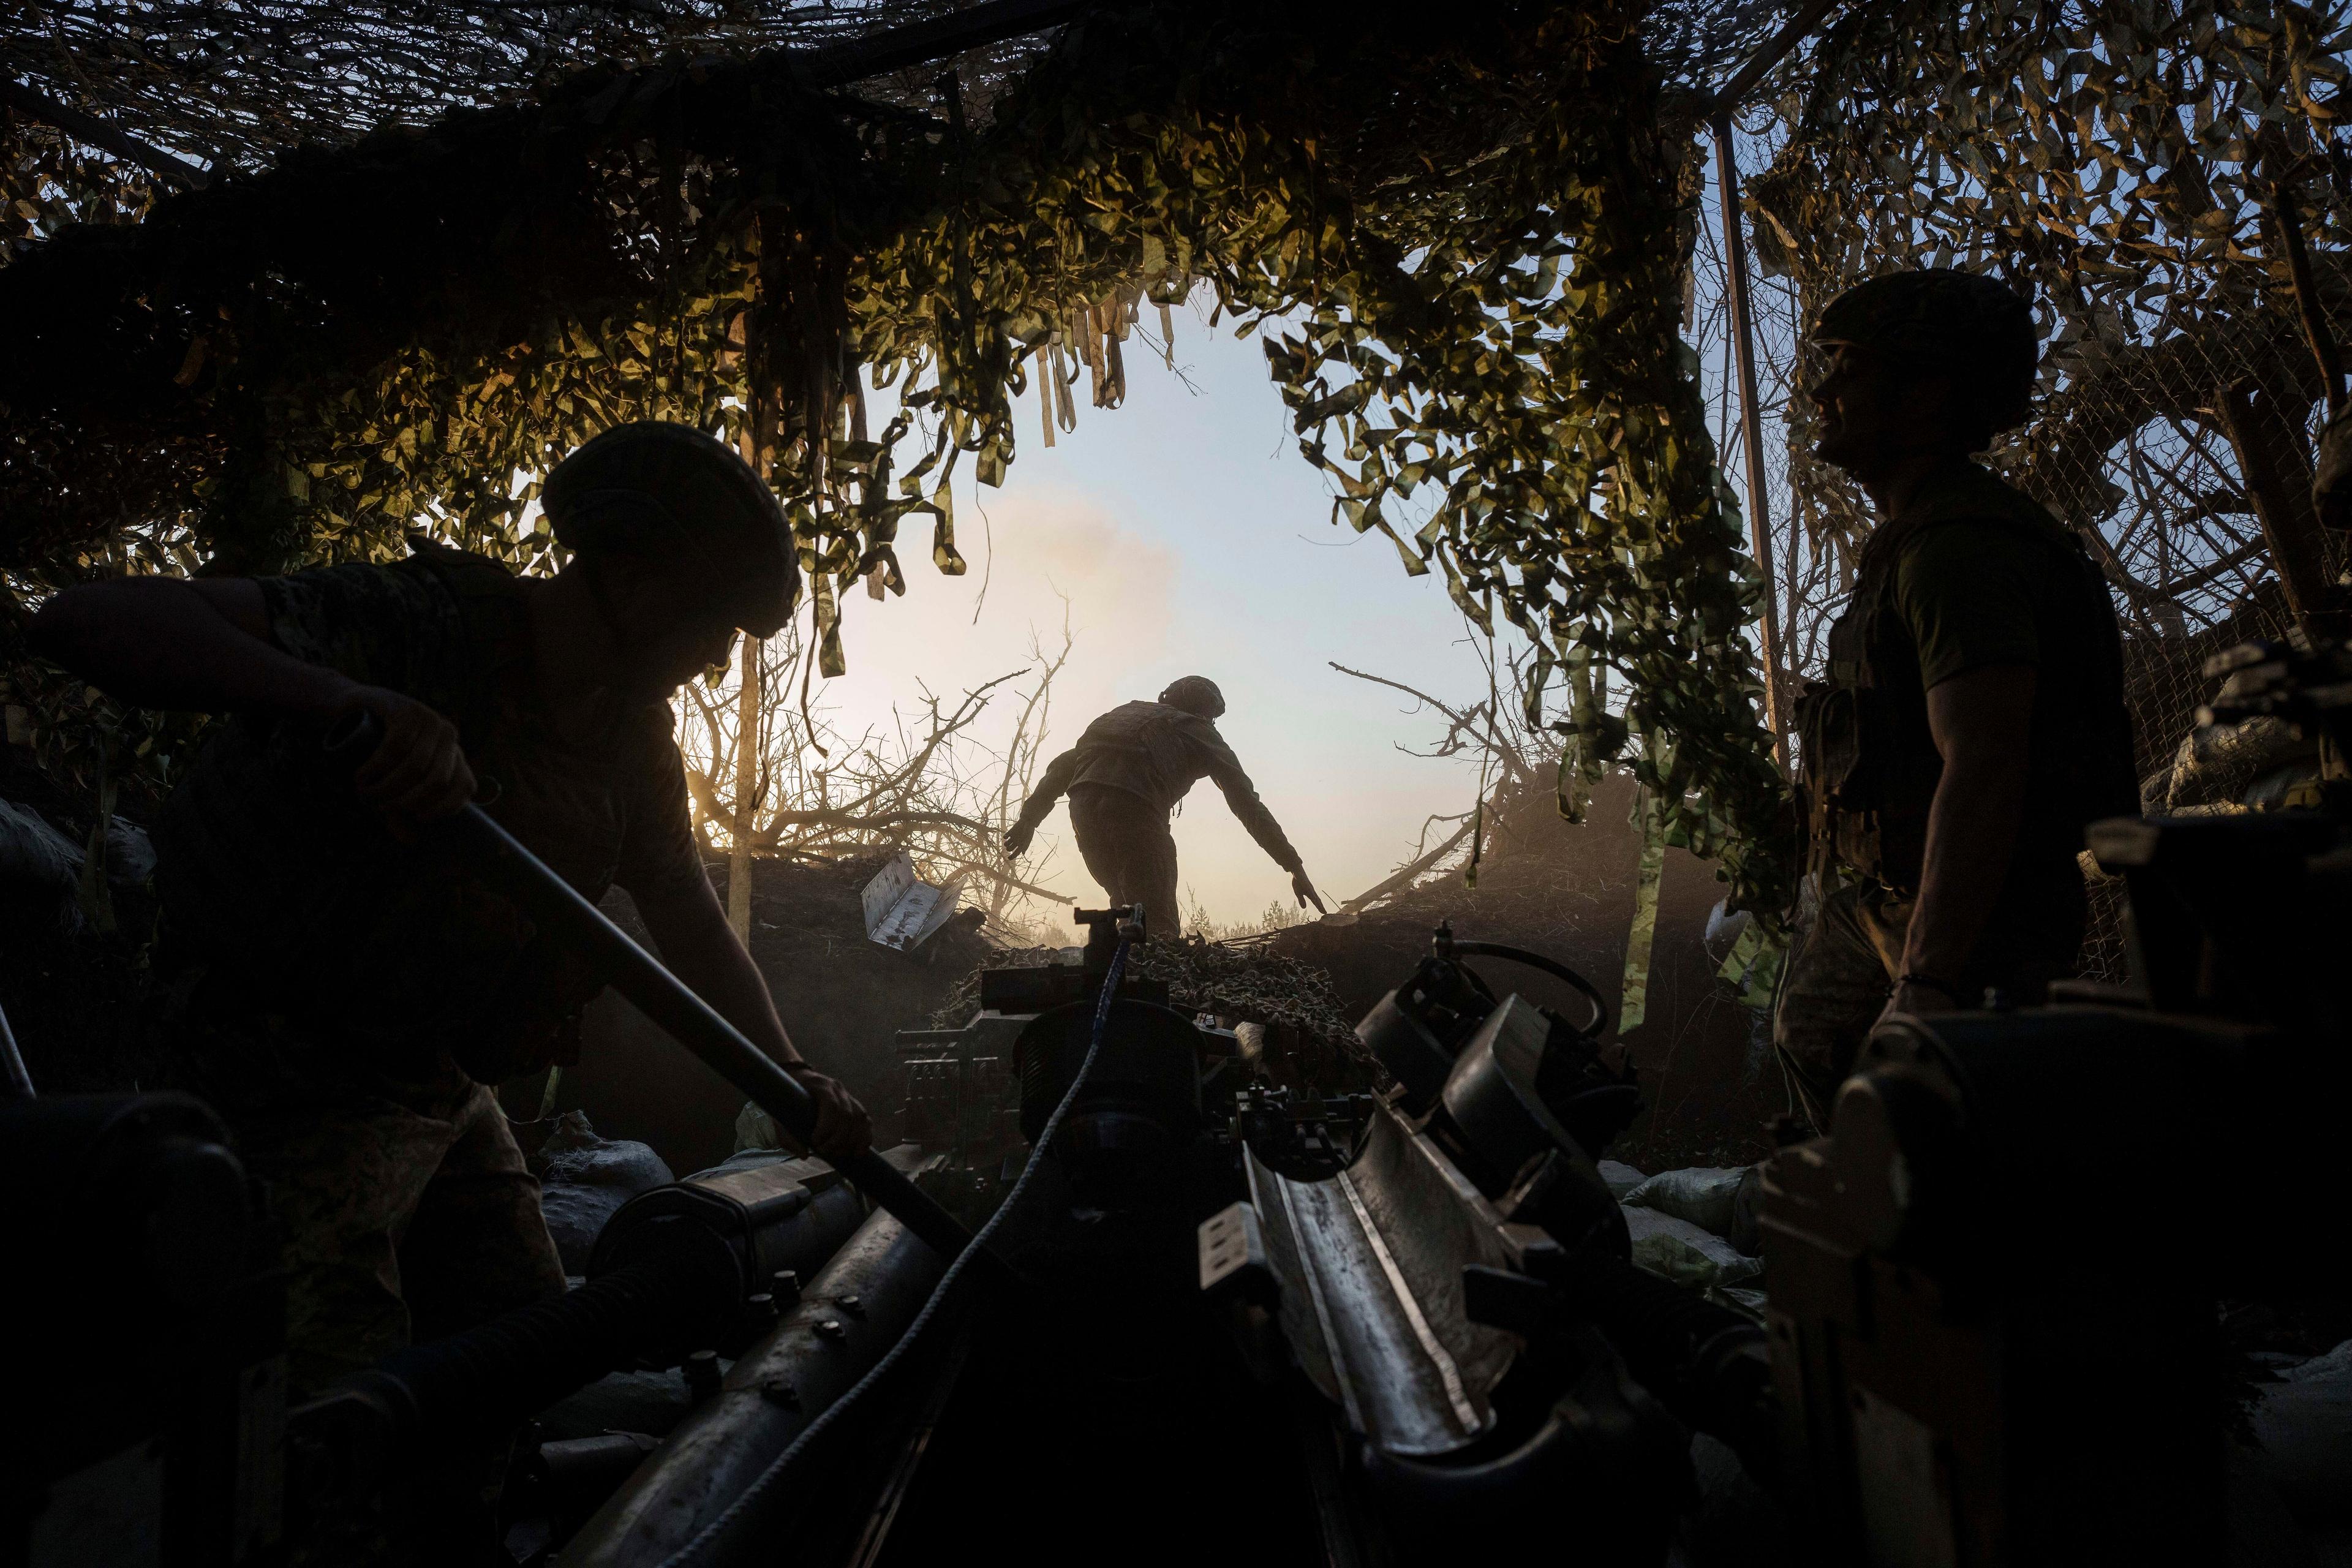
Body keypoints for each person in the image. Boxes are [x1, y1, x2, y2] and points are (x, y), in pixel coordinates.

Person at [29, 423, 871, 1545]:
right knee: (332, 1420)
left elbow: (689, 920)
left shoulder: (631, 744)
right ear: (625, 571)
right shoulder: (423, 626)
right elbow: (88, 621)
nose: (717, 657)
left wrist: (793, 1071)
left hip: (437, 1082)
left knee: (520, 1343)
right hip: (279, 1072)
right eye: (710, 621)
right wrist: (336, 702)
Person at [1775, 270, 2138, 1130]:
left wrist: (1928, 980)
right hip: (1885, 904)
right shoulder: (1913, 546)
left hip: (1966, 930)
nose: (1825, 393)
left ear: (1926, 394)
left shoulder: (1960, 552)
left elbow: (1984, 760)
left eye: (1850, 371)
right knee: (1825, 1064)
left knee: (1946, 1145)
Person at [1004, 676, 1324, 940]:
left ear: (1165, 696)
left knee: (1126, 907)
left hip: (1084, 814)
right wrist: (1293, 864)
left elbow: (1061, 769)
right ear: (1206, 714)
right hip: (1135, 815)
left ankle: (1118, 992)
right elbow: (1246, 802)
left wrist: (1028, 820)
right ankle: (1156, 1004)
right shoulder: (1199, 731)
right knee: (1158, 926)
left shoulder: (1119, 715)